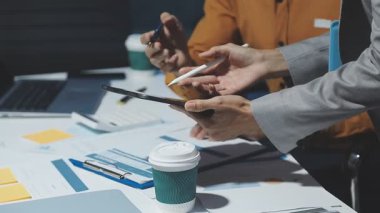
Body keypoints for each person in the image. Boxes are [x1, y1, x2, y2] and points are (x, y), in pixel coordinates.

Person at [140, 0, 374, 140]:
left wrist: (264, 122)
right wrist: (183, 67)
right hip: (277, 149)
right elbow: (206, 67)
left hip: (353, 152)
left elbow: (372, 85)